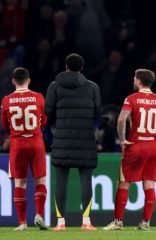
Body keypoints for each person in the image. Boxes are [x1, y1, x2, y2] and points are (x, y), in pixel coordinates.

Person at [103, 69, 156, 231]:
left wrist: (122, 139)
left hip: (136, 145)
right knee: (149, 184)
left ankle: (118, 222)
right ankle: (145, 222)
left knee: (123, 183)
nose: (133, 81)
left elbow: (121, 119)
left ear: (138, 81)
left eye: (134, 78)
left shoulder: (132, 99)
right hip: (152, 146)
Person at [45, 53, 101, 231]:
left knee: (61, 182)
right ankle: (86, 221)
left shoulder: (54, 86)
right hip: (86, 140)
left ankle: (60, 223)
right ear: (81, 68)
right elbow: (98, 112)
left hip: (62, 140)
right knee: (86, 181)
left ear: (66, 66)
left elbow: (47, 111)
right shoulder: (93, 87)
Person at [1, 67, 48, 231]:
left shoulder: (6, 100)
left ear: (13, 81)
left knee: (20, 183)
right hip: (36, 142)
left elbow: (5, 125)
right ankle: (40, 215)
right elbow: (44, 122)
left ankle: (22, 223)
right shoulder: (38, 97)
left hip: (17, 144)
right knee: (40, 180)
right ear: (29, 80)